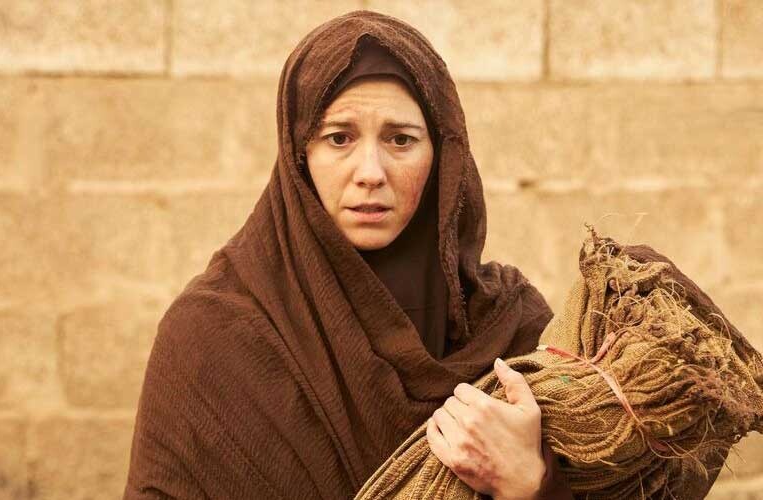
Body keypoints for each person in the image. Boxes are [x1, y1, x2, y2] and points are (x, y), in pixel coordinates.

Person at [124, 10, 573, 500]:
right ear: (300, 155)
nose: (370, 173)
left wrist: (532, 485)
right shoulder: (211, 335)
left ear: (443, 156)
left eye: (400, 140)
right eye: (339, 138)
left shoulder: (512, 331)